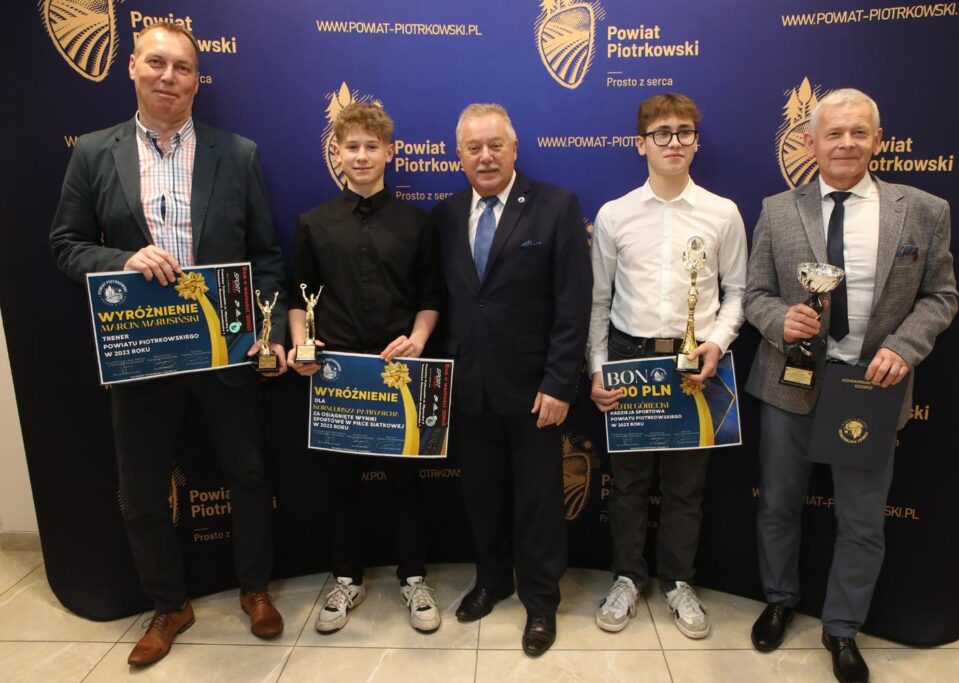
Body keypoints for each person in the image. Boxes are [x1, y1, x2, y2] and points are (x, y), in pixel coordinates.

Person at [49, 22, 287, 667]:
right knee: (142, 494)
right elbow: (65, 245)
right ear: (132, 67)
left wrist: (265, 332)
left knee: (248, 475)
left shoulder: (237, 153)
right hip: (143, 351)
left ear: (197, 81)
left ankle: (255, 590)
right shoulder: (93, 153)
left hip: (225, 351)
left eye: (182, 68)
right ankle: (169, 605)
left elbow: (266, 256)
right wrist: (122, 260)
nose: (168, 78)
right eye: (156, 63)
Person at [744, 88, 959, 683]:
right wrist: (779, 321)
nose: (846, 143)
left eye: (858, 132)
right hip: (789, 383)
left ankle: (841, 628)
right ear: (810, 143)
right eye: (833, 133)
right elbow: (754, 293)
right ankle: (779, 600)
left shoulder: (923, 210)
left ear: (878, 141)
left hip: (870, 387)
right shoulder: (777, 210)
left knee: (862, 520)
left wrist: (903, 348)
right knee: (779, 505)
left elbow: (942, 296)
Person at [431, 103, 592, 656]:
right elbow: (448, 299)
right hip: (468, 385)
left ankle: (541, 601)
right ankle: (493, 580)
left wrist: (560, 382)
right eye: (474, 147)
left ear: (515, 149)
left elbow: (572, 304)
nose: (486, 156)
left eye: (495, 145)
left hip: (535, 389)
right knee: (481, 496)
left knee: (539, 502)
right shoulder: (447, 214)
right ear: (459, 156)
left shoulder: (556, 206)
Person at [588, 93, 747, 638]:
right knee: (628, 485)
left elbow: (739, 293)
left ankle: (679, 581)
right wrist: (597, 368)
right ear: (641, 144)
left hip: (694, 362)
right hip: (629, 360)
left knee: (686, 487)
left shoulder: (722, 213)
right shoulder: (614, 214)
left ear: (697, 141)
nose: (673, 142)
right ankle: (627, 578)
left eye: (684, 132)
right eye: (661, 133)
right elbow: (598, 302)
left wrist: (718, 343)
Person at [287, 102, 443, 635]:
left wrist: (418, 340)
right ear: (336, 152)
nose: (361, 156)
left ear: (389, 152)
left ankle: (414, 577)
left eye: (371, 146)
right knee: (340, 486)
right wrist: (301, 346)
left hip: (399, 374)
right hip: (336, 377)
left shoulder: (417, 224)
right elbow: (297, 298)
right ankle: (345, 579)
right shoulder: (313, 223)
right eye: (351, 146)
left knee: (406, 484)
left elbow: (431, 297)